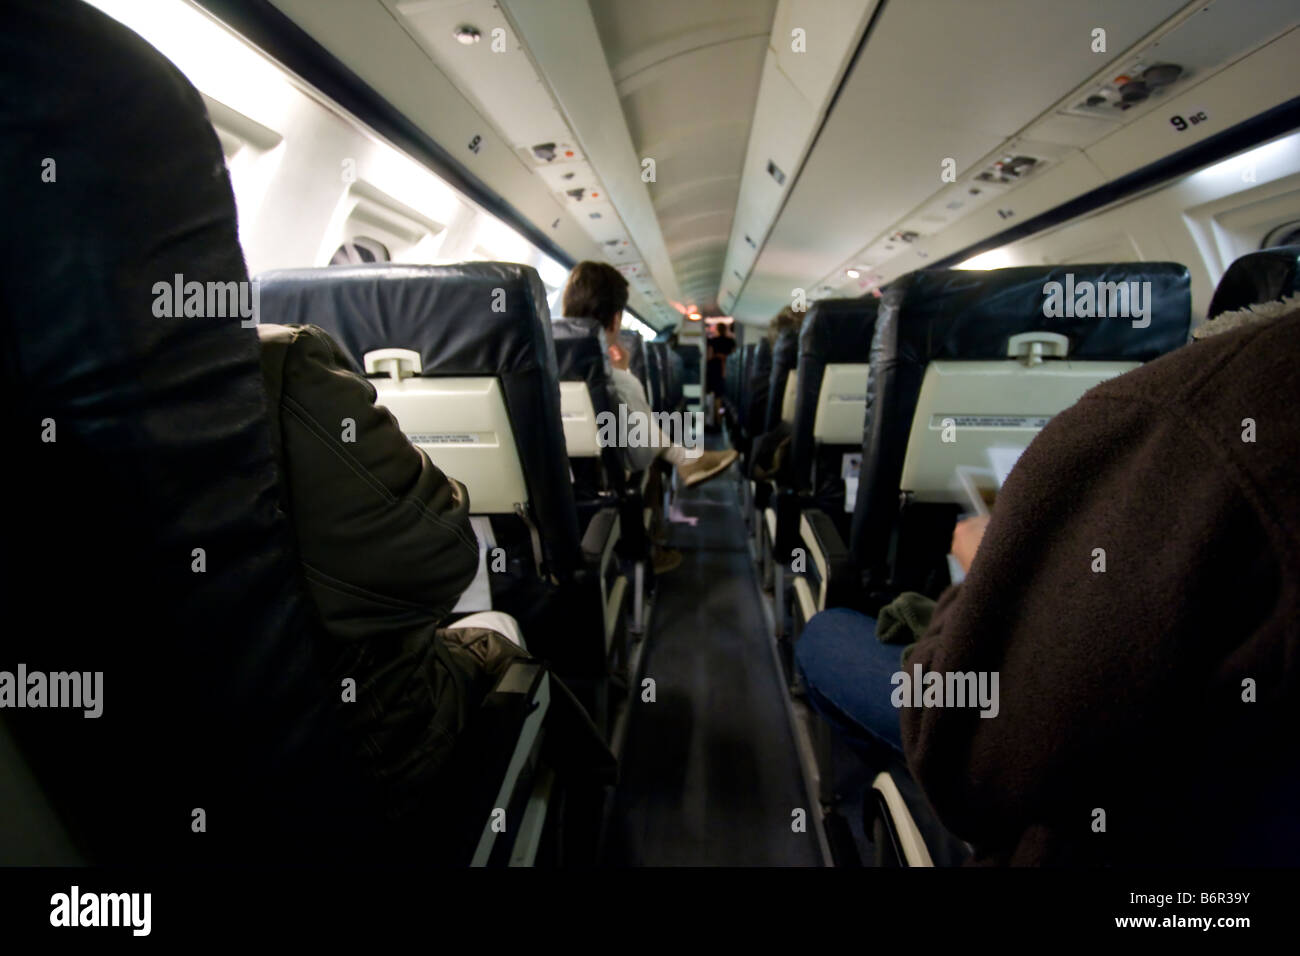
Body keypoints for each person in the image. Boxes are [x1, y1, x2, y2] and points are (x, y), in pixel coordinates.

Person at [796, 295, 1300, 865]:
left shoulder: (1193, 406)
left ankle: (896, 796)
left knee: (827, 635)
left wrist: (979, 574)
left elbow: (972, 745)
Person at [561, 261, 738, 487]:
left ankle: (687, 458)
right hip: (600, 490)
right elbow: (639, 458)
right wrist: (623, 373)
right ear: (616, 320)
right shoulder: (617, 382)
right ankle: (686, 458)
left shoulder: (528, 366)